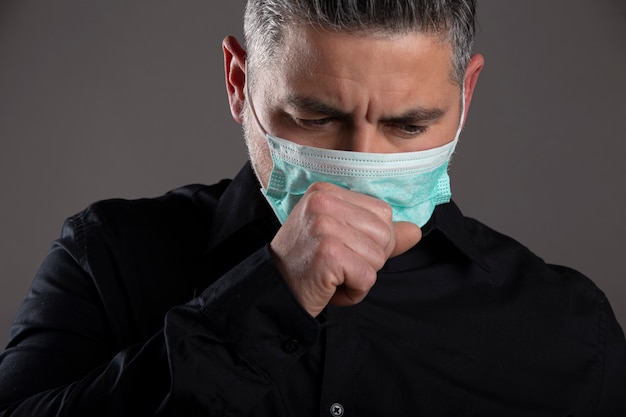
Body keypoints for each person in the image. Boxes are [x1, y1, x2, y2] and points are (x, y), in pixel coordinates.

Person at [1, 0, 625, 415]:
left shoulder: (568, 329)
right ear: (238, 84)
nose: (361, 163)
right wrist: (265, 298)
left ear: (466, 96)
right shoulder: (107, 257)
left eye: (409, 125)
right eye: (314, 118)